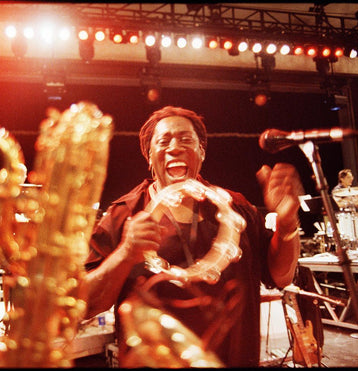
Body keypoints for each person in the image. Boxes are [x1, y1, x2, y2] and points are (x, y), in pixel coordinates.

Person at [83, 106, 303, 367]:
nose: (175, 148)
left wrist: (288, 224)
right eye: (163, 141)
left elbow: (281, 275)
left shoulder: (237, 208)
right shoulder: (124, 214)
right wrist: (125, 253)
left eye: (186, 139)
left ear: (202, 152)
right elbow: (85, 305)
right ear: (149, 156)